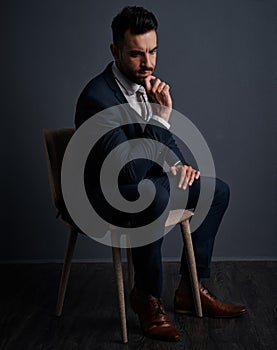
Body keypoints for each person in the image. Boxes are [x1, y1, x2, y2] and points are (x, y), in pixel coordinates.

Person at [74, 6, 246, 342]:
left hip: (145, 183)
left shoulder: (145, 85)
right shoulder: (97, 99)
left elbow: (161, 143)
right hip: (106, 194)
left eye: (152, 51)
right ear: (115, 51)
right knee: (156, 196)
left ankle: (188, 288)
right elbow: (128, 168)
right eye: (136, 54)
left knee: (217, 191)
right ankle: (147, 296)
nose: (148, 63)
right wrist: (162, 116)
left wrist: (179, 165)